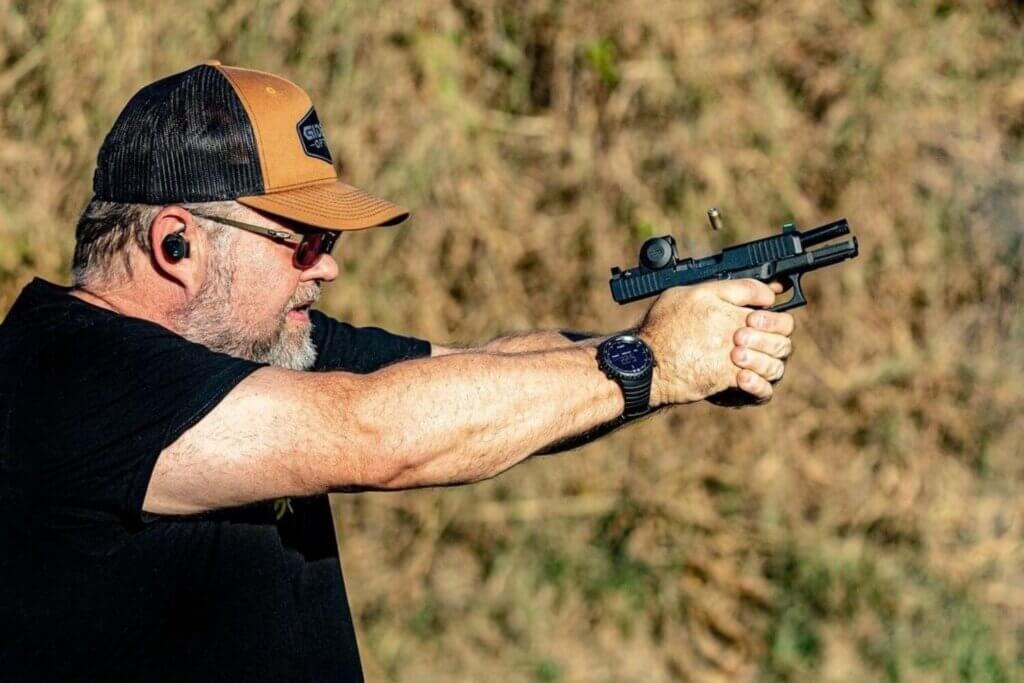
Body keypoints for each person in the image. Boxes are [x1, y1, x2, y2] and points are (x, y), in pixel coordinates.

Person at [0, 64, 795, 682]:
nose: (329, 268)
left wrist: (663, 344)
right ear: (178, 243)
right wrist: (649, 362)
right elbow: (378, 433)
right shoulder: (64, 374)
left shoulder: (249, 345)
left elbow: (476, 375)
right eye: (304, 241)